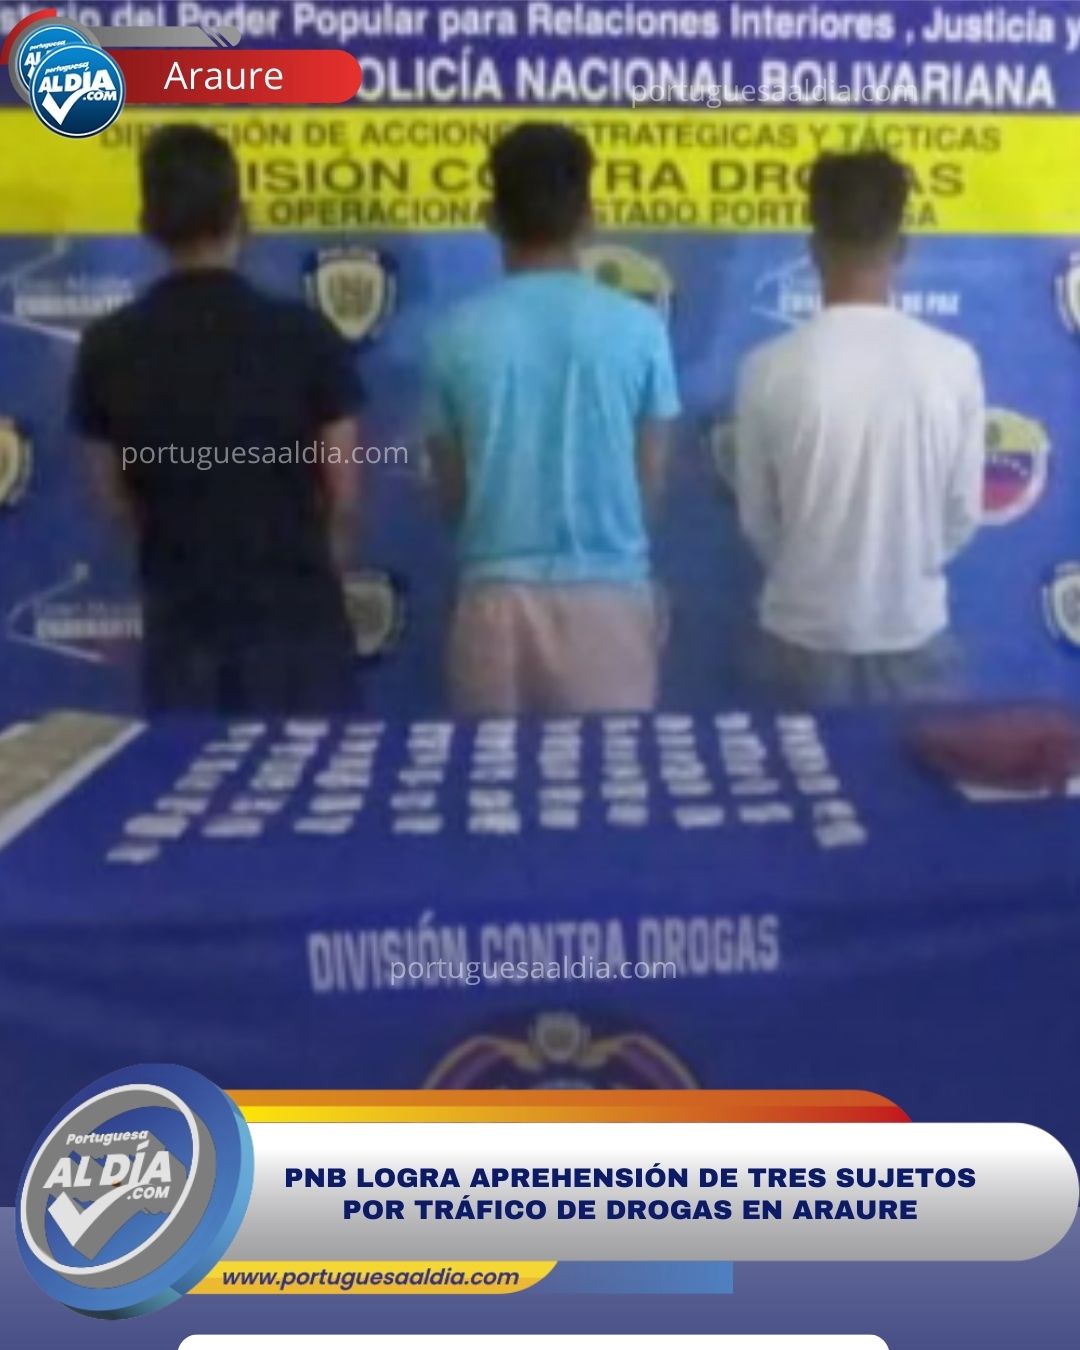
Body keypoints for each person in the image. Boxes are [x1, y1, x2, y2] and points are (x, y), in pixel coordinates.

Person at [71, 125, 361, 716]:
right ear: (241, 216)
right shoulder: (305, 335)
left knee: (192, 778)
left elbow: (113, 499)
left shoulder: (107, 345)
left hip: (183, 629)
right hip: (299, 627)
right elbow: (345, 491)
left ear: (148, 224)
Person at [424, 122, 680, 716]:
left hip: (493, 596)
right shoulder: (641, 329)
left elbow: (451, 489)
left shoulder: (452, 335)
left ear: (489, 217)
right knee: (607, 774)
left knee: (490, 775)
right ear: (590, 217)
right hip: (609, 597)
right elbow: (650, 479)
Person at [734, 149, 985, 706]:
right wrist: (902, 573)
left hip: (798, 634)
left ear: (812, 249)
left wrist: (813, 575)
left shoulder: (766, 368)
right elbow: (963, 513)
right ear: (902, 247)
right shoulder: (955, 364)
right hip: (913, 630)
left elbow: (758, 519)